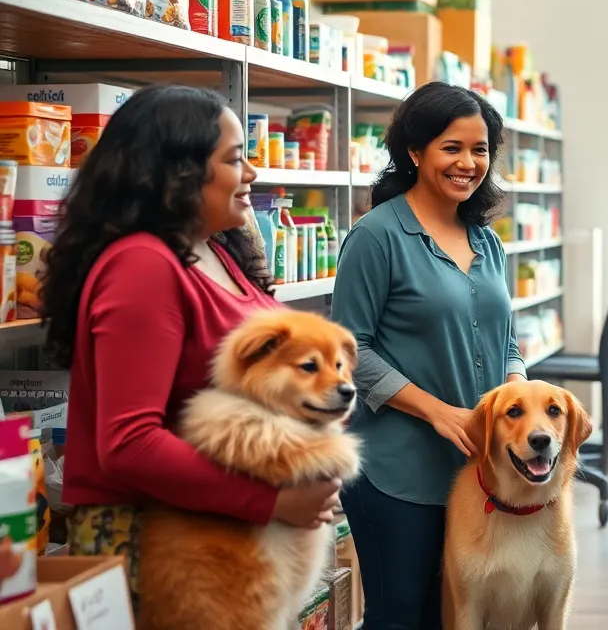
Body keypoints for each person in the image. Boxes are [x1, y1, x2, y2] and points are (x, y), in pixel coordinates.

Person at [45, 85, 341, 608]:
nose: (251, 172)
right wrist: (272, 500)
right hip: (159, 544)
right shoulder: (142, 266)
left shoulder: (217, 251)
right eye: (234, 158)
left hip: (223, 540)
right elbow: (130, 443)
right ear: (178, 171)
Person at [331, 82, 526, 630]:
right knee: (401, 616)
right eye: (451, 148)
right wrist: (438, 412)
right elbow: (348, 348)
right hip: (396, 469)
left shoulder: (487, 241)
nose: (468, 163)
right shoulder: (376, 236)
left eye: (480, 149)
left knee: (456, 616)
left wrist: (517, 389)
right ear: (415, 152)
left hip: (477, 468)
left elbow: (507, 341)